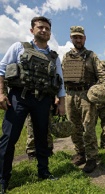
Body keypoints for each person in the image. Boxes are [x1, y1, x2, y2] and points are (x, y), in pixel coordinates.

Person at [0, 16, 66, 193]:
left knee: (42, 138)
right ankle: (2, 179)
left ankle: (43, 171)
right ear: (32, 30)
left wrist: (62, 103)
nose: (44, 30)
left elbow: (60, 82)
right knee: (9, 138)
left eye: (47, 28)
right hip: (18, 98)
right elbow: (1, 69)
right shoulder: (19, 47)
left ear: (50, 33)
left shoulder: (54, 57)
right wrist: (1, 93)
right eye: (40, 27)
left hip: (43, 101)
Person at [62, 26, 105, 173]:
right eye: (75, 37)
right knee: (74, 127)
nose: (77, 39)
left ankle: (92, 158)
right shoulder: (66, 56)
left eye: (80, 37)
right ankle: (80, 153)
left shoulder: (91, 56)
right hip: (70, 95)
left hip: (86, 95)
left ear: (84, 39)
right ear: (71, 38)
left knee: (88, 127)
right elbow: (62, 76)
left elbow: (102, 75)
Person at [95, 61, 105, 149]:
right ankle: (92, 144)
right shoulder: (92, 77)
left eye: (104, 68)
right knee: (91, 125)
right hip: (94, 104)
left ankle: (104, 144)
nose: (103, 70)